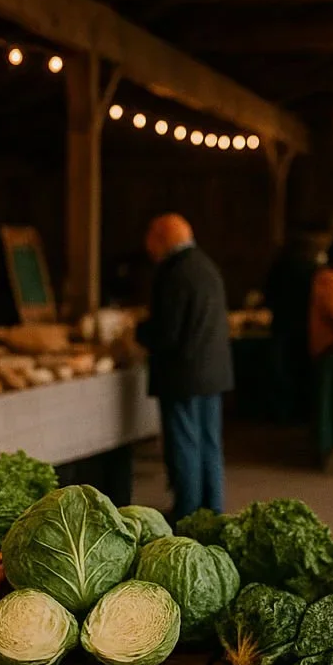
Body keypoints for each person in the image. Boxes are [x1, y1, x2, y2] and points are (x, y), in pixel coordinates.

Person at [136, 214, 232, 520]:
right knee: (209, 444)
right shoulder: (205, 265)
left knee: (185, 446)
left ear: (161, 237)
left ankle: (188, 512)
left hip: (183, 373)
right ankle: (212, 508)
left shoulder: (173, 273)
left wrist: (138, 331)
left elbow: (167, 332)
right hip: (212, 371)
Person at [264, 226, 318, 413]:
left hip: (282, 323)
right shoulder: (313, 269)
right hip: (304, 325)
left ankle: (282, 412)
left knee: (282, 371)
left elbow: (268, 295)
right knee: (300, 370)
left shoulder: (280, 266)